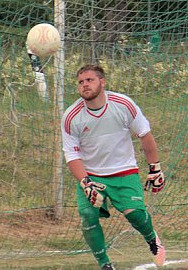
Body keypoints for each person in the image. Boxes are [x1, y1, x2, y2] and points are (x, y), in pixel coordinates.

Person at [62, 63, 167, 270]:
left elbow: (144, 134)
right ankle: (105, 265)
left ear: (102, 81)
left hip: (124, 171)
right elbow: (72, 154)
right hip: (91, 175)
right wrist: (85, 183)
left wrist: (155, 167)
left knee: (135, 214)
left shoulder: (123, 104)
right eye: (80, 82)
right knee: (88, 217)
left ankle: (152, 239)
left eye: (89, 80)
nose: (84, 85)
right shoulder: (71, 116)